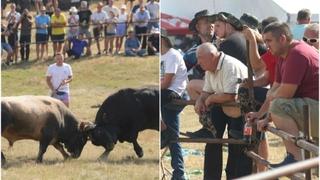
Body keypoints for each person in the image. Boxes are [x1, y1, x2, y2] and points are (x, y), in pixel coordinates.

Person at [253, 22, 319, 167]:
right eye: (264, 41)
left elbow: (285, 93)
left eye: (269, 41)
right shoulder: (283, 55)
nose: (266, 45)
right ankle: (297, 160)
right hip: (312, 108)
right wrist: (260, 115)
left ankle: (295, 159)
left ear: (282, 39)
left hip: (315, 109)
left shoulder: (297, 54)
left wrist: (269, 111)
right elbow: (275, 89)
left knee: (279, 104)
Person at [195, 42, 251, 179]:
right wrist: (200, 100)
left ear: (213, 56)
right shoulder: (209, 68)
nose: (198, 62)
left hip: (242, 109)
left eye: (201, 58)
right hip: (223, 106)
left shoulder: (229, 66)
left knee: (236, 147)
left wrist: (210, 99)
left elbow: (231, 95)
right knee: (212, 140)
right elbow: (206, 91)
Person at [161, 33, 188, 180]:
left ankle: (179, 173)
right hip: (165, 94)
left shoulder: (172, 55)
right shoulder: (163, 56)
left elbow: (166, 83)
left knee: (173, 136)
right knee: (173, 135)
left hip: (175, 94)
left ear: (163, 40)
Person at [184, 10, 216, 101]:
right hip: (207, 91)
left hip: (226, 87)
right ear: (198, 27)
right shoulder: (192, 53)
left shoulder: (224, 44)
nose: (211, 25)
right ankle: (205, 113)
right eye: (206, 22)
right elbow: (179, 72)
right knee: (191, 85)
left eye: (212, 21)